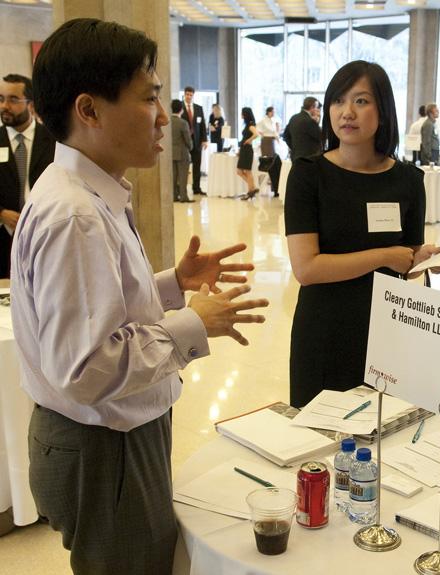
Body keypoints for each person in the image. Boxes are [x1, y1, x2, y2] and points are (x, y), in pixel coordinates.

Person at [12, 19, 268, 574]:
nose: (163, 115)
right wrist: (193, 323)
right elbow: (85, 367)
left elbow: (95, 311)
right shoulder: (75, 214)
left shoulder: (84, 193)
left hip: (109, 436)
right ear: (89, 110)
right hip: (104, 446)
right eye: (149, 97)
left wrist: (171, 285)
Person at [285, 61, 440, 408]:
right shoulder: (309, 176)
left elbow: (407, 262)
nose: (346, 113)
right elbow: (307, 268)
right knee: (319, 442)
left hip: (389, 330)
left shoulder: (408, 180)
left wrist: (426, 258)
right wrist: (384, 256)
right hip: (325, 329)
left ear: (383, 111)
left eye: (361, 101)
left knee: (382, 440)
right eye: (338, 101)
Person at [0, 73, 56, 278]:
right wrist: (1, 213)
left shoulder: (54, 140)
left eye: (13, 99)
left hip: (47, 234)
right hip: (4, 240)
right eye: (1, 99)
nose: (5, 105)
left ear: (31, 105)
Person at [179, 85, 207, 195]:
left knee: (197, 165)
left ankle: (196, 188)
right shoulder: (179, 107)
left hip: (197, 142)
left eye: (191, 95)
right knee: (183, 166)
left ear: (193, 95)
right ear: (184, 95)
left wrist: (204, 139)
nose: (189, 96)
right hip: (184, 142)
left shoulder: (198, 108)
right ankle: (182, 190)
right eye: (187, 94)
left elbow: (202, 125)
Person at [170, 99, 193, 203]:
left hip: (171, 152)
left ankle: (174, 196)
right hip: (182, 153)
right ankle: (183, 197)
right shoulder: (183, 123)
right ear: (181, 110)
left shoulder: (168, 122)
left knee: (173, 176)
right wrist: (191, 147)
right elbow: (187, 139)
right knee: (183, 176)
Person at [237, 106, 259, 200]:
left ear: (245, 114)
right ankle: (252, 189)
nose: (241, 115)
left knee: (246, 171)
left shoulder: (250, 125)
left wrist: (248, 140)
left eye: (242, 113)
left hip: (247, 150)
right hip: (244, 150)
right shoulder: (247, 125)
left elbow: (256, 134)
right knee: (240, 171)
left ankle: (251, 190)